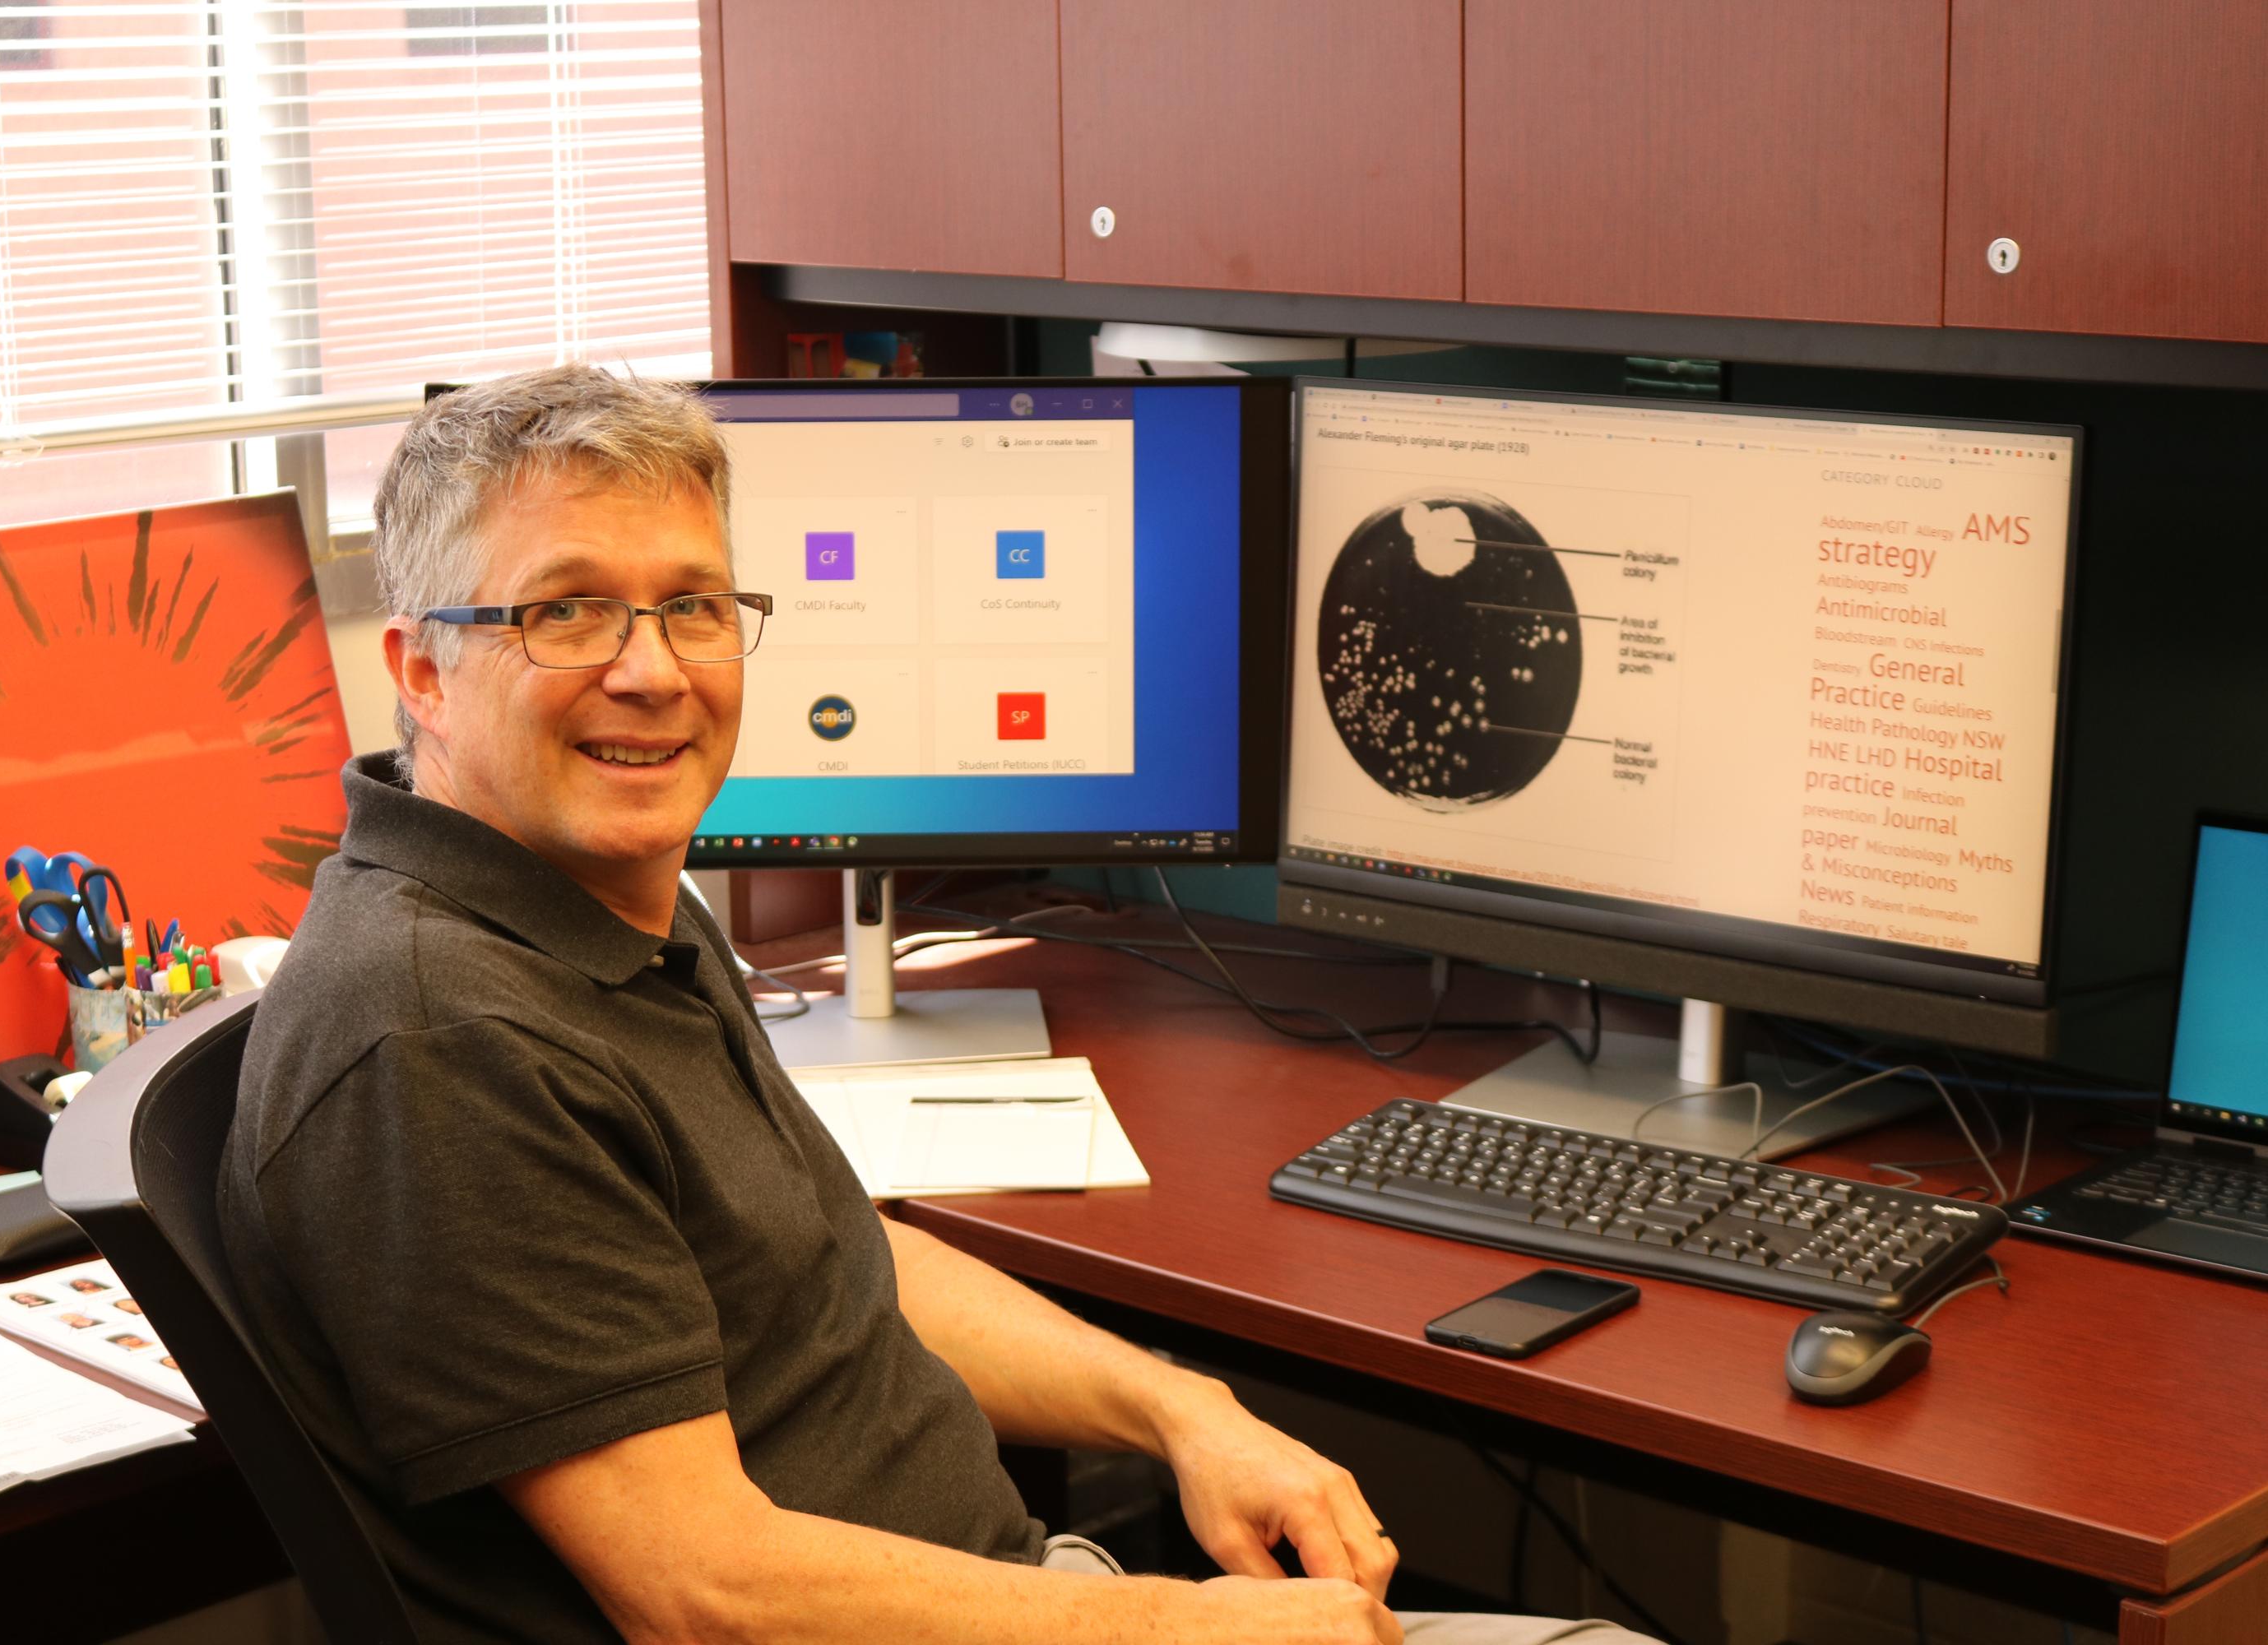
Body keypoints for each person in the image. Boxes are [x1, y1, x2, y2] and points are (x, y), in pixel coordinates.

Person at [219, 363, 1658, 1645]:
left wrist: (1180, 1409)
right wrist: (1183, 1633)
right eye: (568, 611)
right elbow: (704, 1595)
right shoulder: (446, 1037)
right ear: (422, 669)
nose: (650, 671)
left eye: (694, 607)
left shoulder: (594, 900)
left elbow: (841, 1260)